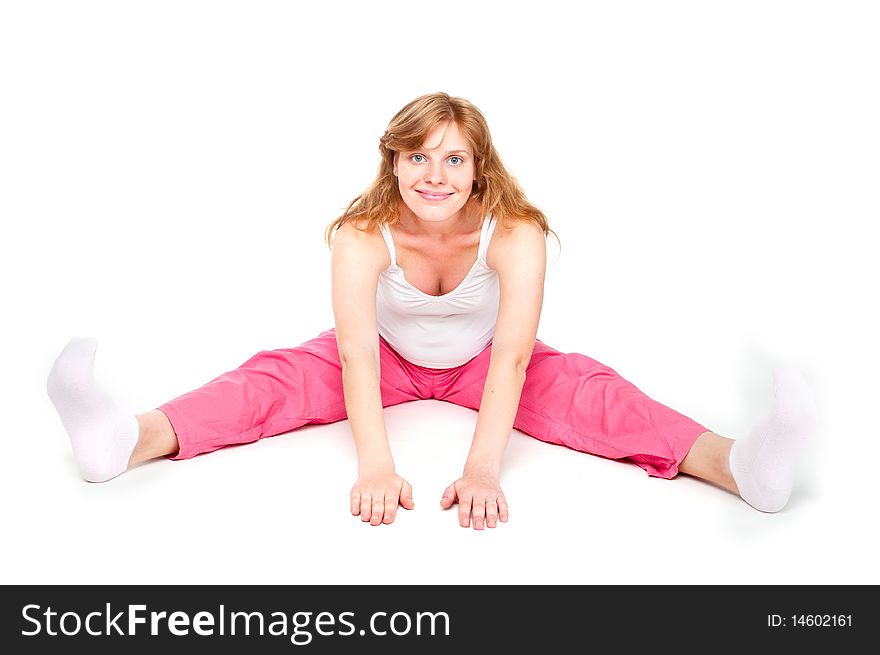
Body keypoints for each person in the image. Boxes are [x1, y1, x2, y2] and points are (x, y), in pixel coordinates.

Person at [46, 92, 818, 530]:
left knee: (599, 396)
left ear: (479, 165)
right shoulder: (360, 233)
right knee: (267, 382)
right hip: (382, 354)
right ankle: (127, 438)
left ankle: (739, 464)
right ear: (393, 160)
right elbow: (351, 355)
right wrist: (377, 466)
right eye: (417, 155)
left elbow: (514, 357)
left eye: (453, 157)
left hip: (487, 360)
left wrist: (481, 467)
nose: (434, 174)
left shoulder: (514, 232)